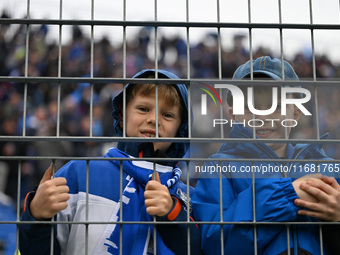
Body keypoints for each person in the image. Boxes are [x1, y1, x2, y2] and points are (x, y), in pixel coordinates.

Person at [19, 69, 200, 255]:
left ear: (181, 129)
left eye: (167, 115)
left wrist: (174, 215)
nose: (154, 120)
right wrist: (36, 217)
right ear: (122, 116)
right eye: (143, 109)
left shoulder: (192, 198)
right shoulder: (79, 173)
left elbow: (204, 249)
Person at [191, 56, 340, 255]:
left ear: (296, 113)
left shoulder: (327, 168)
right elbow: (213, 244)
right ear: (233, 115)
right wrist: (287, 196)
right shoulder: (218, 169)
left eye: (276, 106)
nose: (262, 116)